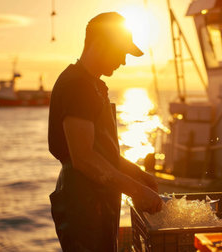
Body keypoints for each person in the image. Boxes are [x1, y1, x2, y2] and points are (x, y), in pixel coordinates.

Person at [47, 12, 163, 251]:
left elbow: (102, 152)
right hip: (82, 203)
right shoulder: (77, 85)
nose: (123, 61)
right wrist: (135, 190)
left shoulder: (94, 85)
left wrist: (139, 175)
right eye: (121, 51)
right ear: (99, 43)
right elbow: (84, 158)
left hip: (99, 202)